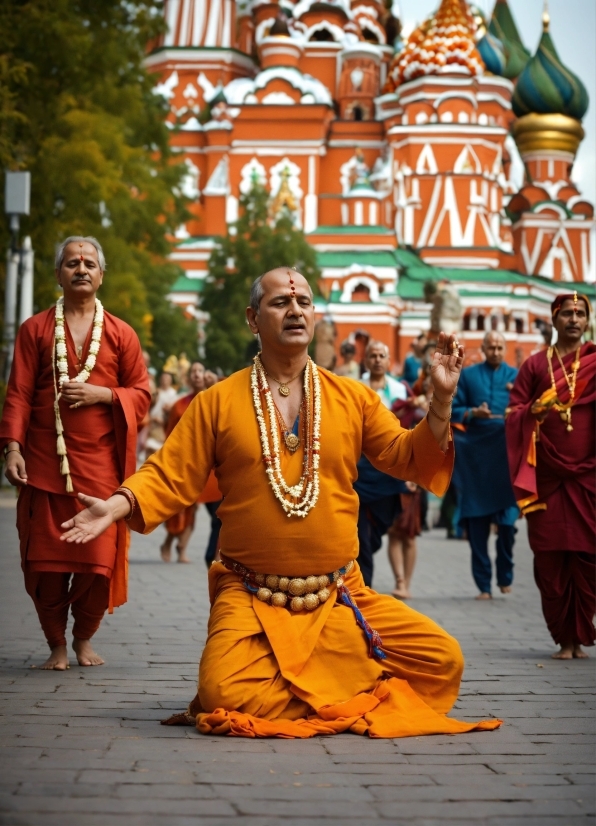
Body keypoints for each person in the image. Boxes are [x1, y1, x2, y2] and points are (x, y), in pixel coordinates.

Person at [59, 267, 500, 740]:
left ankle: (312, 689)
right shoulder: (218, 401)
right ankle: (345, 691)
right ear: (253, 319)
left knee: (443, 660)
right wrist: (117, 505)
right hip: (251, 594)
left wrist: (441, 400)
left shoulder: (352, 397)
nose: (295, 311)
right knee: (221, 691)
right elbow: (170, 471)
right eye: (280, 303)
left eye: (305, 303)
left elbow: (407, 456)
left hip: (337, 597)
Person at [0, 236, 150, 670]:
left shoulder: (122, 333)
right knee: (45, 569)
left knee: (97, 568)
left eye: (89, 263)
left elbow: (141, 394)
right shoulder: (35, 330)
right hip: (44, 468)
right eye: (71, 263)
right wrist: (13, 447)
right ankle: (56, 647)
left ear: (101, 275)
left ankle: (83, 639)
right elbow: (19, 394)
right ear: (58, 274)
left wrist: (105, 394)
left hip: (101, 473)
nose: (81, 268)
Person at [506, 293, 595, 659]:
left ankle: (581, 631)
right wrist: (533, 411)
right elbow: (512, 412)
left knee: (588, 558)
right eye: (567, 314)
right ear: (554, 320)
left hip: (589, 475)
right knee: (549, 558)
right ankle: (564, 638)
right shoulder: (535, 365)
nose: (574, 319)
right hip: (545, 475)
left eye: (581, 313)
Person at [452, 332, 519, 600]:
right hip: (477, 455)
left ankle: (505, 572)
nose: (495, 351)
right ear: (483, 348)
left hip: (505, 453)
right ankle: (483, 586)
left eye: (500, 347)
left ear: (505, 349)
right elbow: (454, 408)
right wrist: (471, 413)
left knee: (507, 523)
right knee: (477, 523)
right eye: (490, 347)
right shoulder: (468, 376)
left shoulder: (515, 376)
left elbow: (529, 408)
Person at [355, 341, 409, 587]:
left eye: (381, 355)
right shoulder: (354, 388)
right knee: (361, 533)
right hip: (360, 468)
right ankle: (364, 585)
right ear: (365, 360)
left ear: (388, 361)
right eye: (372, 355)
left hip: (389, 469)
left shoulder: (399, 390)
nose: (377, 359)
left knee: (379, 528)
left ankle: (365, 556)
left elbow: (407, 429)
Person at [160, 361, 206, 563]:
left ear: (205, 375)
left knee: (195, 508)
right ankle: (169, 541)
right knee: (178, 506)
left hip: (205, 464)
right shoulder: (179, 405)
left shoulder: (212, 400)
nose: (196, 374)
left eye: (200, 371)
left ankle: (182, 548)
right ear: (189, 378)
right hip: (182, 464)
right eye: (193, 371)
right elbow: (169, 436)